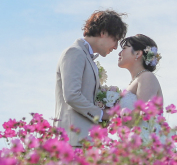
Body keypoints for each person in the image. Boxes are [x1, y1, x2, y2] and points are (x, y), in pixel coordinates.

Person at [54, 9, 128, 146]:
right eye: (115, 39)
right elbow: (71, 95)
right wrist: (101, 114)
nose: (116, 46)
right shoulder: (74, 52)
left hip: (84, 140)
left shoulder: (87, 58)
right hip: (71, 140)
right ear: (103, 32)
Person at [116, 34, 164, 142]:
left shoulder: (147, 77)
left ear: (138, 53)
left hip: (145, 142)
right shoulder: (135, 81)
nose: (119, 53)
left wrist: (111, 119)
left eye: (124, 48)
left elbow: (142, 114)